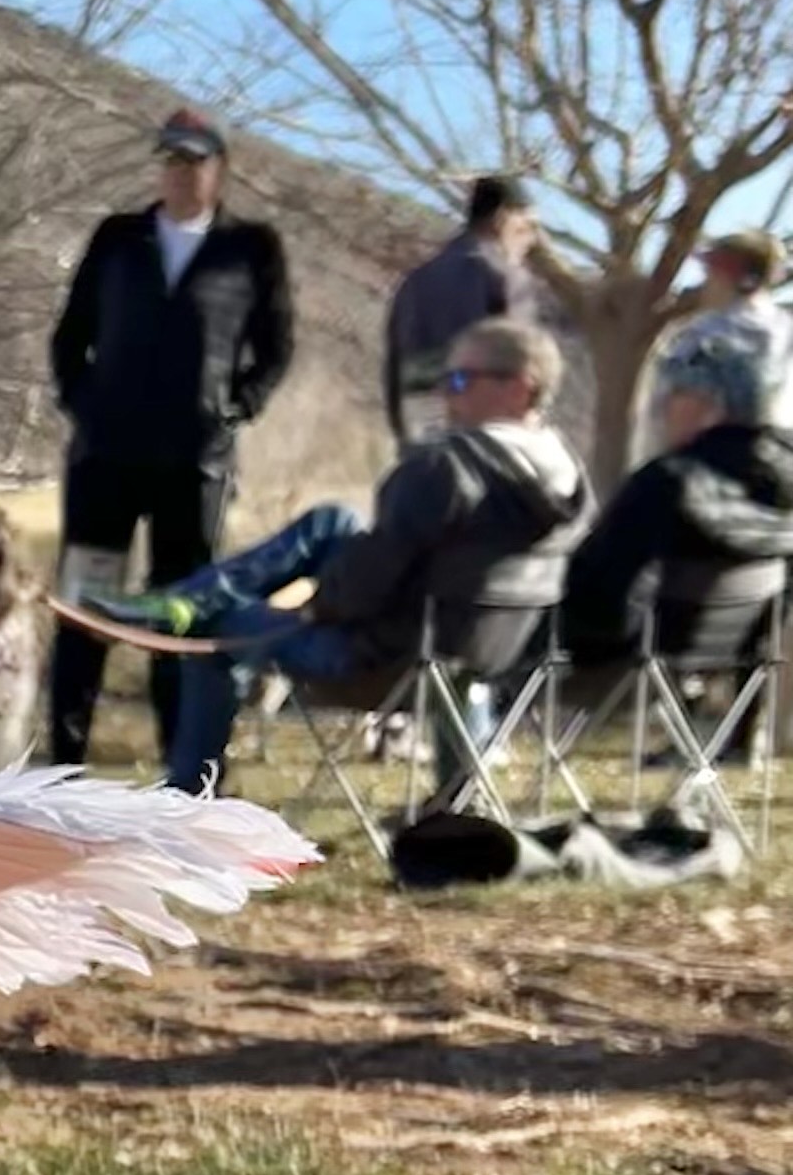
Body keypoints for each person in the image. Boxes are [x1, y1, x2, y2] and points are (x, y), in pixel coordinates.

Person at [62, 315, 587, 792]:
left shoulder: (445, 469)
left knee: (221, 631)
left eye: (459, 380)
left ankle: (189, 793)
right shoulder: (569, 485)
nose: (446, 396)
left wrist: (310, 608)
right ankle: (181, 602)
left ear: (520, 389)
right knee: (333, 521)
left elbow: (364, 585)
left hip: (381, 661)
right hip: (480, 660)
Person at [46, 107, 295, 766]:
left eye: (193, 161)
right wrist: (84, 403)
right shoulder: (119, 238)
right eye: (170, 161)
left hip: (195, 463)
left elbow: (274, 350)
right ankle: (63, 759)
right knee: (84, 607)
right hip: (107, 455)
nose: (180, 174)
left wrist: (233, 409)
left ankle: (179, 763)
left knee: (180, 609)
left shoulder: (251, 248)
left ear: (219, 168)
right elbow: (72, 336)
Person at [557, 314, 793, 673]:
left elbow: (601, 592)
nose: (663, 406)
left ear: (712, 405)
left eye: (678, 393)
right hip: (733, 659)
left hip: (616, 663)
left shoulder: (667, 482)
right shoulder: (783, 482)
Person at [385, 174, 536, 441]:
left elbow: (393, 375)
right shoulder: (506, 279)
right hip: (489, 445)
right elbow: (523, 372)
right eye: (526, 227)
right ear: (502, 219)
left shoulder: (413, 284)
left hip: (420, 444)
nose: (531, 240)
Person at [690, 232, 793, 425]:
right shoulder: (783, 326)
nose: (704, 286)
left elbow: (687, 411)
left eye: (711, 274)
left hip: (718, 448)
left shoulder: (713, 332)